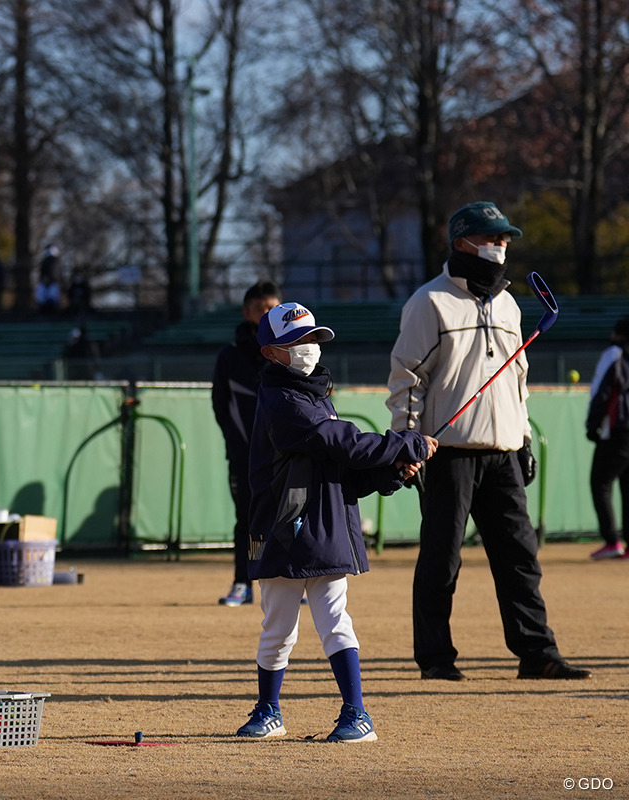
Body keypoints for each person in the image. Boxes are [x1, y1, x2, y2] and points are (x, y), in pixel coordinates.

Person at [387, 200, 592, 681]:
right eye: (492, 237)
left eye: (504, 239)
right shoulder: (428, 302)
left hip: (503, 452)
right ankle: (436, 659)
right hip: (448, 455)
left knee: (521, 558)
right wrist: (406, 444)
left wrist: (522, 436)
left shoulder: (508, 303)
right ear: (462, 242)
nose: (501, 246)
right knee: (442, 561)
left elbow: (518, 375)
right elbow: (406, 380)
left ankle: (537, 653)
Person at [236, 302, 436, 743]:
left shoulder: (316, 397)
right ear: (271, 353)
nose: (309, 348)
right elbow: (338, 441)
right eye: (296, 341)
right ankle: (269, 710)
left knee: (334, 620)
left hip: (322, 530)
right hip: (280, 530)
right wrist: (406, 444)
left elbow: (338, 472)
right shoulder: (280, 400)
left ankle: (356, 714)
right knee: (277, 629)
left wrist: (389, 472)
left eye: (312, 339)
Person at [211, 280, 281, 606]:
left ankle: (286, 582)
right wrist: (239, 443)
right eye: (260, 309)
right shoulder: (230, 357)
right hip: (244, 458)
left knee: (287, 517)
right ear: (247, 313)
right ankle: (245, 580)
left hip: (284, 456)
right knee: (249, 522)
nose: (267, 314)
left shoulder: (288, 353)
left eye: (273, 307)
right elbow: (220, 406)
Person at [585, 316, 629, 559]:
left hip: (618, 429)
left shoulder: (614, 353)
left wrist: (593, 425)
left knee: (600, 483)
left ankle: (612, 541)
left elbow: (602, 390)